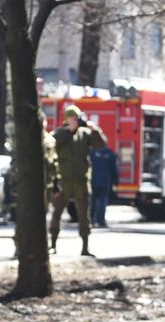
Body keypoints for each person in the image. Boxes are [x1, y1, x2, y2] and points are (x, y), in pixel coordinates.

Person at [51, 107, 107, 256]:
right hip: (64, 181)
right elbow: (51, 142)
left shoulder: (84, 134)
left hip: (81, 181)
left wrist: (94, 129)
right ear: (66, 119)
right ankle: (53, 244)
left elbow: (101, 144)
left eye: (76, 119)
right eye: (72, 119)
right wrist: (67, 131)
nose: (74, 122)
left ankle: (85, 247)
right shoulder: (60, 133)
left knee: (83, 215)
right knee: (57, 214)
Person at [89, 142, 119, 229]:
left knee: (93, 201)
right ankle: (101, 221)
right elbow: (114, 169)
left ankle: (91, 220)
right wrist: (116, 182)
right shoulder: (110, 154)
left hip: (93, 181)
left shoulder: (92, 153)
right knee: (103, 201)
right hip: (105, 182)